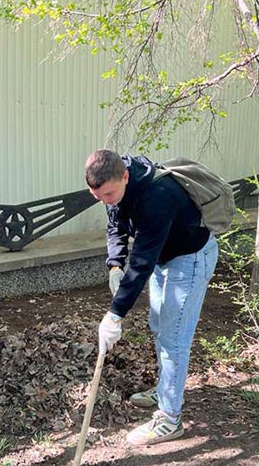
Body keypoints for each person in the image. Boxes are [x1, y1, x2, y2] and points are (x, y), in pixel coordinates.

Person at [87, 149, 218, 447]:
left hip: (189, 259)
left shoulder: (158, 194)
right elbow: (116, 225)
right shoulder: (113, 187)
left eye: (108, 193)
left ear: (125, 176)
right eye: (98, 196)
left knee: (174, 340)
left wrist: (115, 314)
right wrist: (115, 264)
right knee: (160, 327)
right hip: (165, 258)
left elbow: (143, 261)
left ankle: (170, 419)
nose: (105, 200)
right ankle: (165, 389)